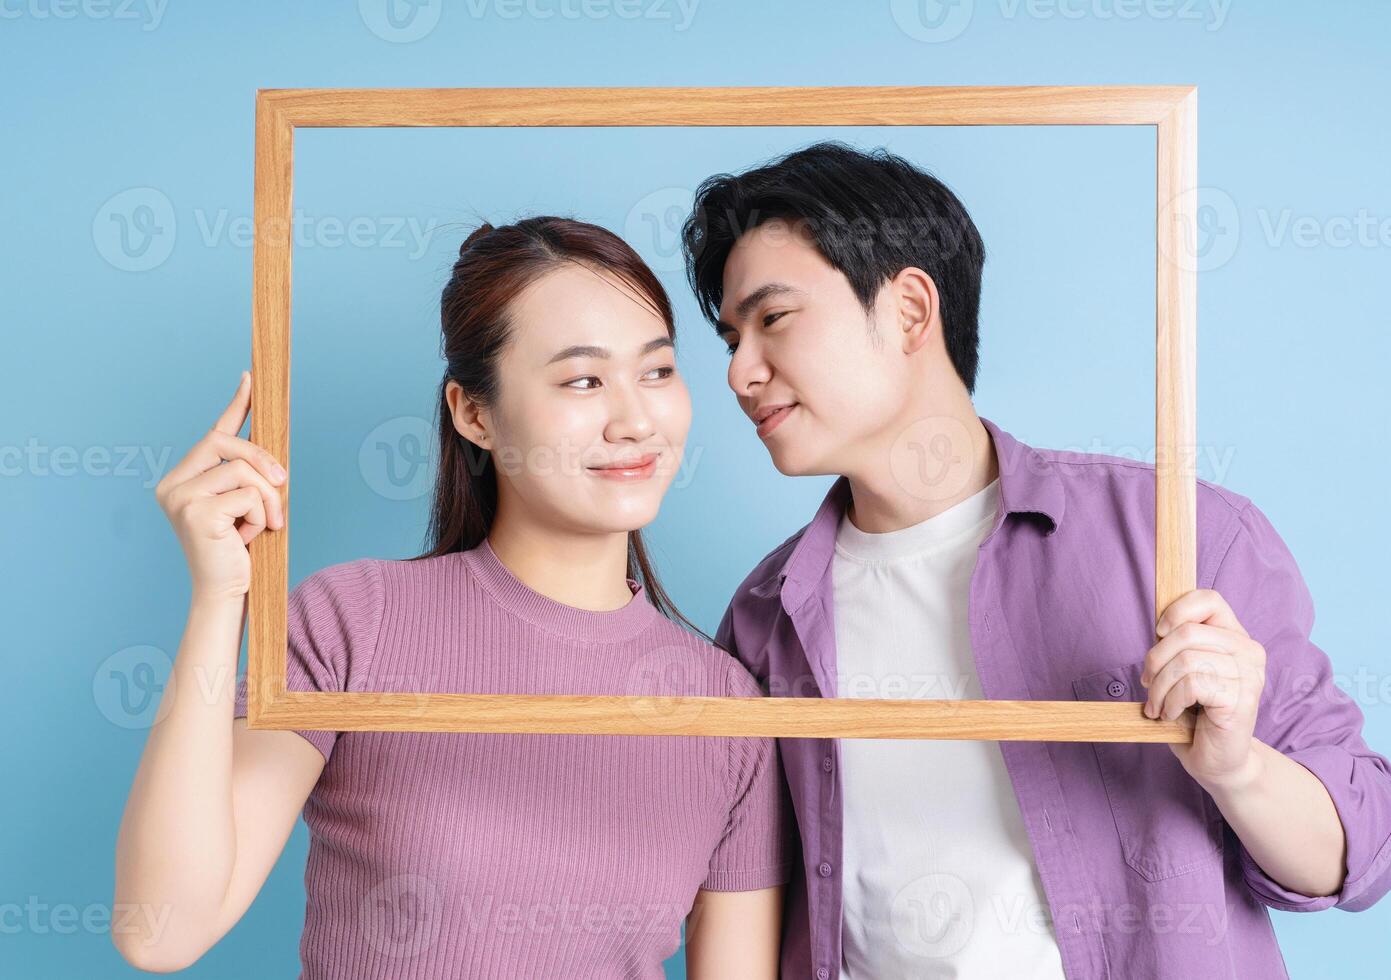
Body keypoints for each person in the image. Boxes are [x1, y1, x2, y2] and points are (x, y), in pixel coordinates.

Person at [681, 140, 1391, 979]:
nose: (737, 372)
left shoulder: (1179, 534)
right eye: (730, 337)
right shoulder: (764, 612)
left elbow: (1359, 855)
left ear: (910, 310)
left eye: (772, 319)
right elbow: (746, 900)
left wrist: (1237, 768)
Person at [112, 216, 794, 978]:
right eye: (581, 380)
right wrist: (218, 599)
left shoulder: (727, 708)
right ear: (474, 413)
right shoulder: (354, 623)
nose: (635, 420)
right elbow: (161, 932)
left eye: (658, 372)